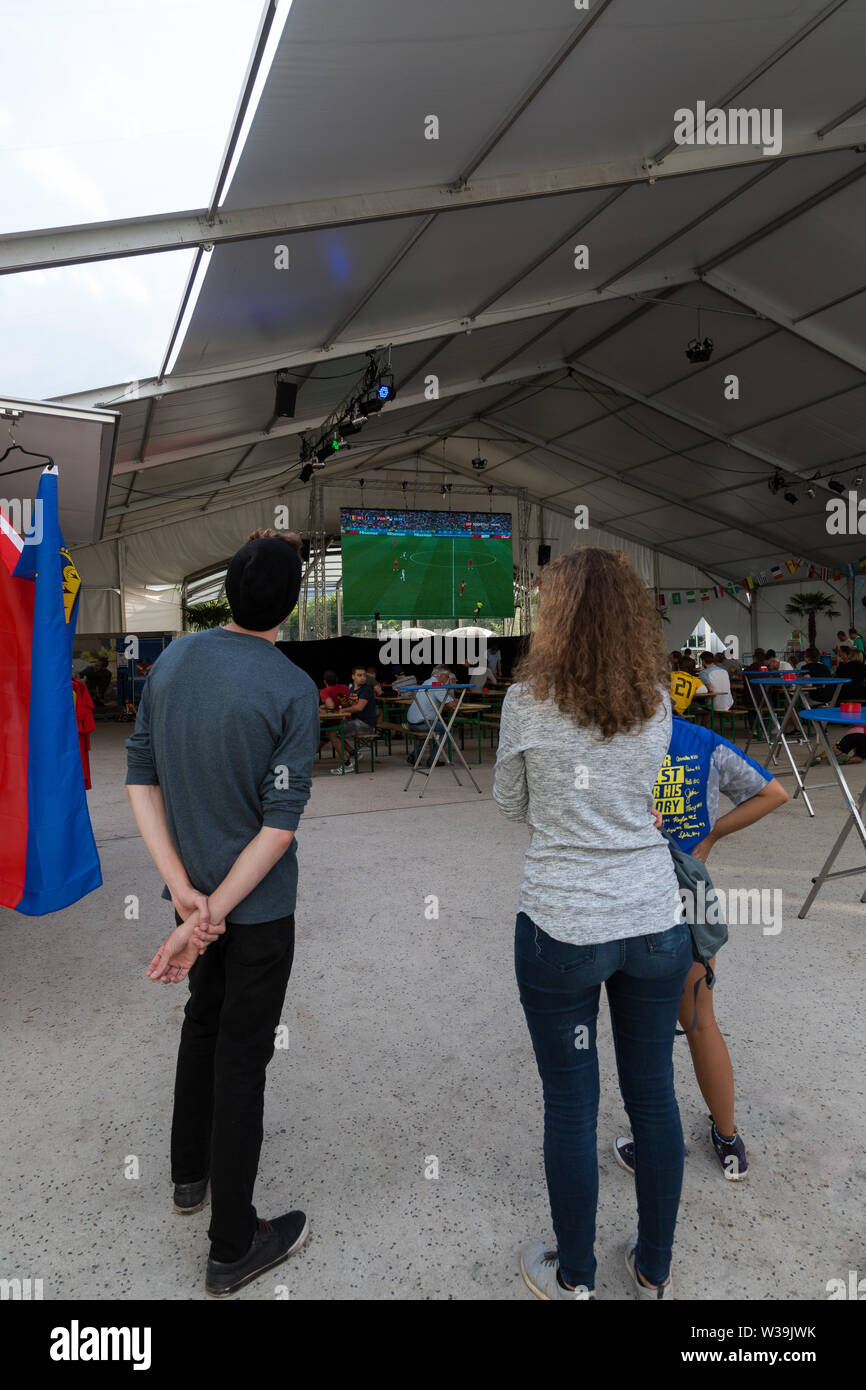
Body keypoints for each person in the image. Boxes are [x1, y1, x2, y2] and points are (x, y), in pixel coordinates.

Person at [493, 547, 691, 1301]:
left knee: (571, 1103)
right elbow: (646, 796)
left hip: (561, 927)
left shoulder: (525, 702)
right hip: (652, 922)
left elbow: (511, 808)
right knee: (654, 1098)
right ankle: (654, 1269)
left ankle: (575, 1277)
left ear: (556, 615)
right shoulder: (654, 699)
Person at [125, 534, 319, 1298]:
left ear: (227, 592)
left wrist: (184, 897)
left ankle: (188, 1175)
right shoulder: (292, 689)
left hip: (198, 898)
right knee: (242, 1059)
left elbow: (139, 774)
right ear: (291, 606)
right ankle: (234, 1245)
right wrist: (208, 916)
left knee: (201, 1024)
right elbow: (279, 826)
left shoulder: (172, 660)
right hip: (257, 912)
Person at [614, 717, 788, 1185]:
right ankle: (729, 1140)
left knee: (642, 1030)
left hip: (622, 892)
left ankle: (654, 1145)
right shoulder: (701, 741)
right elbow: (774, 793)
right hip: (686, 890)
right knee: (699, 1020)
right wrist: (708, 837)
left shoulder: (603, 735)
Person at [326, 665, 378, 774]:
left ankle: (347, 764)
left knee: (332, 733)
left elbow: (359, 707)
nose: (363, 678)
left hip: (366, 724)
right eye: (359, 675)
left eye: (364, 675)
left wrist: (343, 710)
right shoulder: (351, 689)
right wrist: (345, 703)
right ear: (353, 676)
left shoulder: (366, 690)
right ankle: (354, 753)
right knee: (332, 729)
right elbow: (351, 704)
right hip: (356, 722)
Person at [405, 666, 457, 767]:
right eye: (447, 677)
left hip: (411, 722)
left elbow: (444, 700)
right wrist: (454, 695)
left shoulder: (427, 682)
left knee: (431, 731)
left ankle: (414, 756)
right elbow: (450, 704)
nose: (448, 679)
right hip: (421, 723)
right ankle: (433, 760)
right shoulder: (437, 685)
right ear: (441, 676)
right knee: (448, 731)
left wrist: (449, 689)